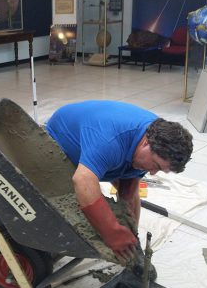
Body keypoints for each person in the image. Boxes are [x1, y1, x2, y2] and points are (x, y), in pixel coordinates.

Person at [45, 100, 193, 264]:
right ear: (145, 143)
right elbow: (82, 180)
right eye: (156, 165)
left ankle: (132, 245)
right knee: (81, 194)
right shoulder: (109, 142)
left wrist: (130, 233)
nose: (152, 172)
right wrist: (112, 232)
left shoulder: (156, 136)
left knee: (128, 193)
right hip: (62, 140)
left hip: (114, 142)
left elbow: (129, 192)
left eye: (160, 170)